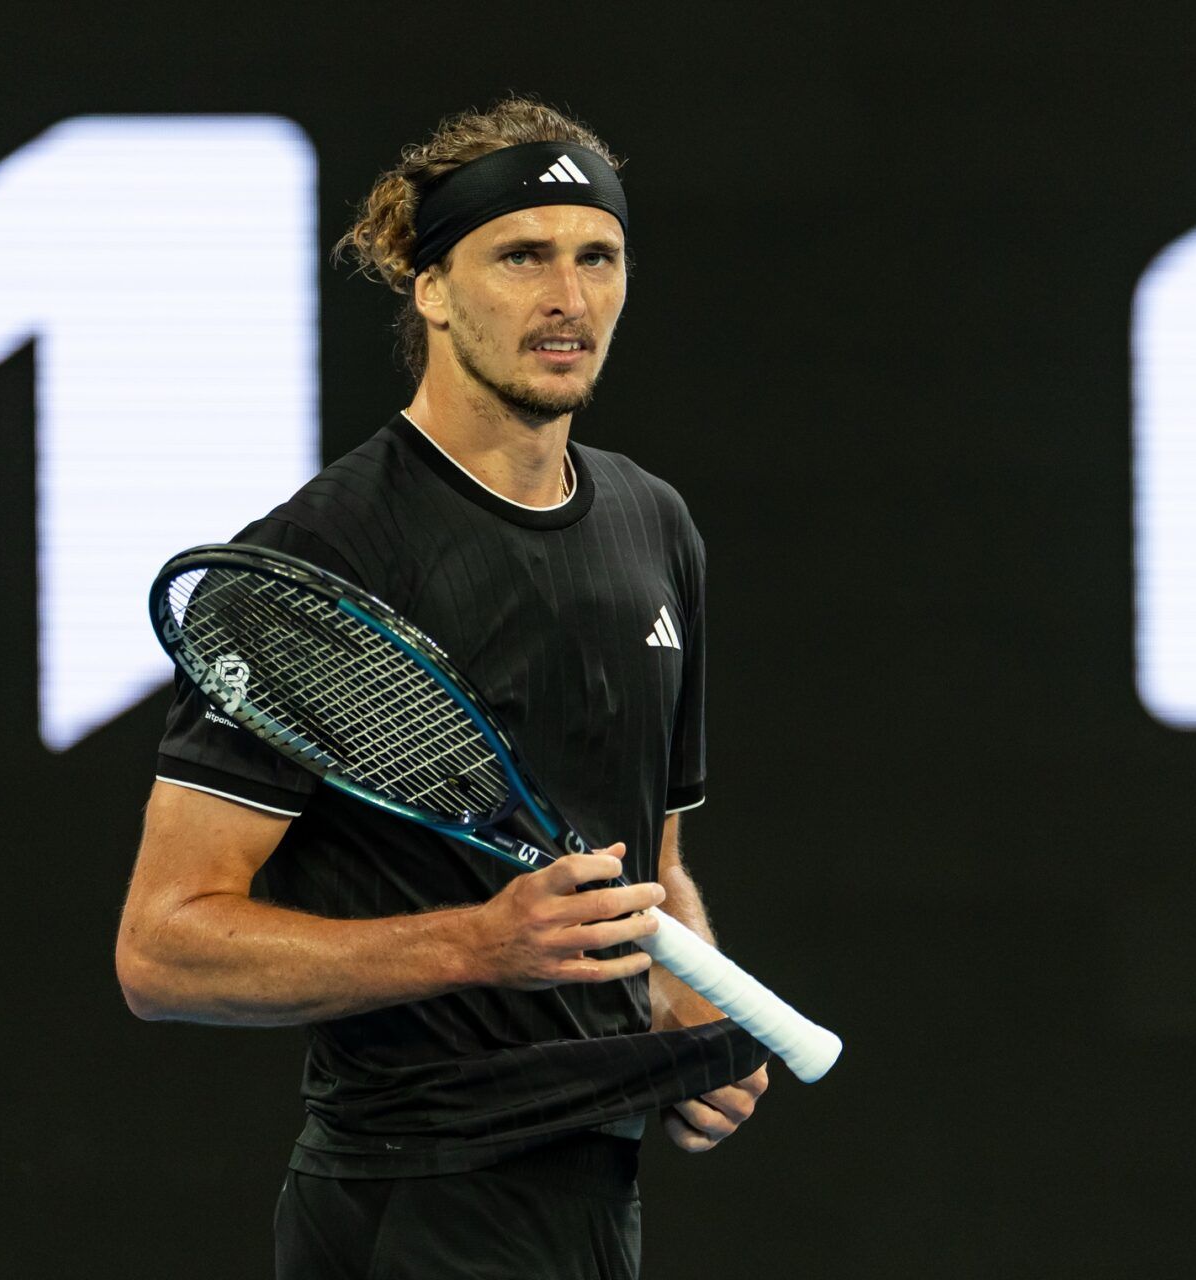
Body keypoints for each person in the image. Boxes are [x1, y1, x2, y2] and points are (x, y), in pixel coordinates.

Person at [116, 97, 768, 1279]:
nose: (567, 298)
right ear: (429, 287)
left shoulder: (653, 524)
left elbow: (651, 871)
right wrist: (476, 944)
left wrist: (693, 1013)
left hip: (593, 1199)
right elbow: (163, 949)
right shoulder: (318, 562)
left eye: (597, 257)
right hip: (406, 1208)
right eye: (521, 256)